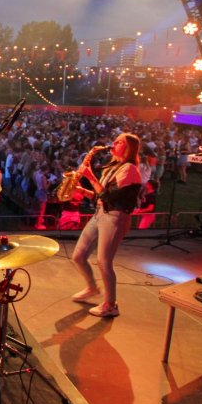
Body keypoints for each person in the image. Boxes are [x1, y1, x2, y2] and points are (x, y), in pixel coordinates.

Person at [71, 133, 143, 317]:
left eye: (119, 142)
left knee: (104, 262)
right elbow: (99, 195)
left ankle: (110, 305)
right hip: (100, 214)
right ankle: (92, 287)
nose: (113, 143)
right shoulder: (112, 167)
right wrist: (81, 190)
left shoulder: (130, 170)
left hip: (114, 217)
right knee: (78, 256)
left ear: (128, 148)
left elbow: (110, 196)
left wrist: (89, 175)